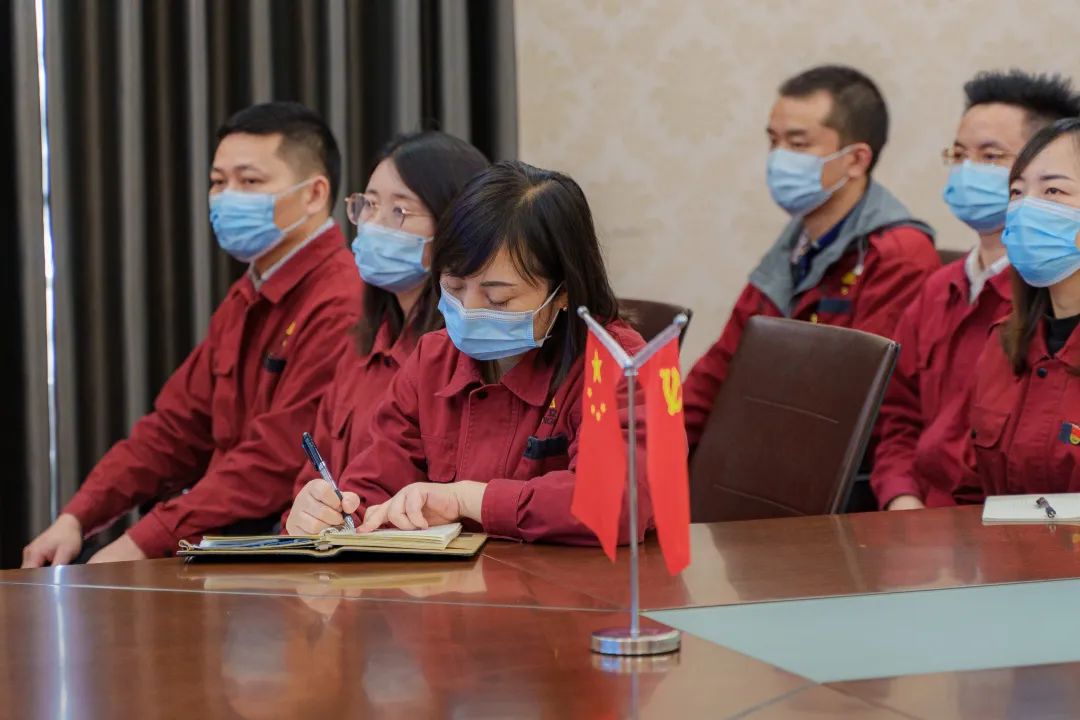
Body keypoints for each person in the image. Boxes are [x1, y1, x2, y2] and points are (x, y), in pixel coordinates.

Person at [22, 102, 364, 566]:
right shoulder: (248, 294)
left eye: (250, 181)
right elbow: (174, 429)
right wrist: (78, 517)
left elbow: (275, 460)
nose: (226, 197)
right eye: (218, 182)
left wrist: (142, 542)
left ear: (314, 194)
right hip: (217, 537)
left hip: (280, 550)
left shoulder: (341, 300)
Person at [286, 160, 651, 544]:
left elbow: (617, 501)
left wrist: (467, 498)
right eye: (455, 288)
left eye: (497, 299)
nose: (469, 310)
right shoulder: (433, 359)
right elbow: (375, 483)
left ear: (564, 292)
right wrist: (331, 513)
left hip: (570, 581)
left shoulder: (616, 361)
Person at [683, 65, 940, 451]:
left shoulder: (898, 254)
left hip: (838, 466)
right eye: (774, 141)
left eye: (798, 144)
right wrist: (658, 450)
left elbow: (860, 398)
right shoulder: (796, 241)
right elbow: (722, 365)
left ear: (856, 159)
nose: (778, 158)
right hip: (769, 448)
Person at [873, 71, 1080, 510]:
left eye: (990, 156)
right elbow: (901, 419)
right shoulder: (1007, 332)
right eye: (1017, 192)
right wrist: (902, 502)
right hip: (965, 534)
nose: (1026, 206)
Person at [280, 131, 488, 527]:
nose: (372, 224)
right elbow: (313, 471)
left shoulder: (464, 349)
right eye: (369, 205)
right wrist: (305, 514)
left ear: (454, 224)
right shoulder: (362, 344)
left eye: (399, 211)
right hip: (339, 549)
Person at [966, 117, 1080, 497]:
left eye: (1053, 191)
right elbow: (970, 488)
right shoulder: (1005, 340)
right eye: (1016, 192)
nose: (1025, 207)